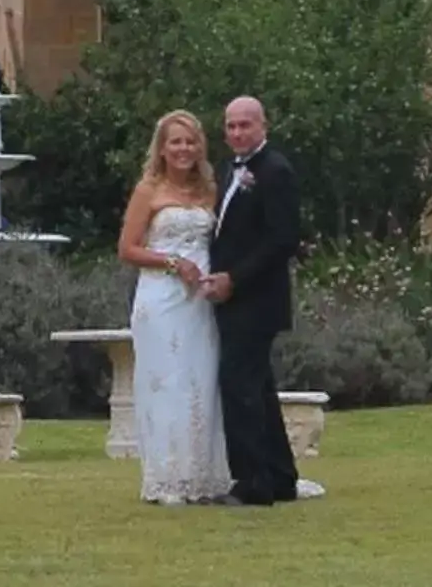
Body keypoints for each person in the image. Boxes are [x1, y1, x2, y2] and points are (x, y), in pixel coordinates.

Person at [204, 96, 315, 506]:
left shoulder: (275, 171)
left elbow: (282, 239)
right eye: (231, 126)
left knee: (239, 387)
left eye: (245, 125)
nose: (237, 133)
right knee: (259, 388)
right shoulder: (227, 170)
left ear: (263, 126)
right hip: (230, 297)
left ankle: (252, 482)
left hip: (257, 299)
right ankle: (280, 476)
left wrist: (234, 278)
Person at [117, 110, 232, 505]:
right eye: (176, 142)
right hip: (160, 299)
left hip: (199, 301)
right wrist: (172, 262)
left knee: (199, 381)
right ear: (162, 149)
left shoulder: (209, 192)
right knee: (165, 383)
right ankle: (167, 478)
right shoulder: (148, 190)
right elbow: (128, 249)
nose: (184, 149)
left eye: (190, 141)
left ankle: (201, 475)